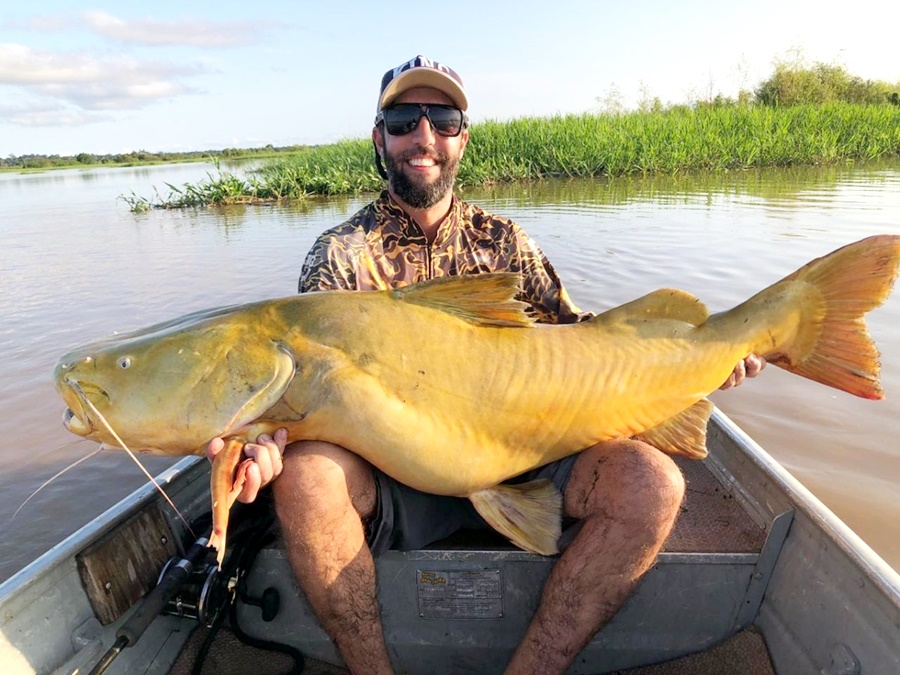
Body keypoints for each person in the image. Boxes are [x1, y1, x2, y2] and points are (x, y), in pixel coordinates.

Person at [208, 55, 766, 674]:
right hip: (390, 472)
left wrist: (702, 361)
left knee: (653, 484)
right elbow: (301, 389)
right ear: (379, 137)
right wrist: (262, 446)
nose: (424, 136)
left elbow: (583, 342)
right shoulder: (340, 255)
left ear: (463, 138)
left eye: (443, 120)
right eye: (403, 120)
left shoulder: (504, 241)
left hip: (524, 450)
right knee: (306, 480)